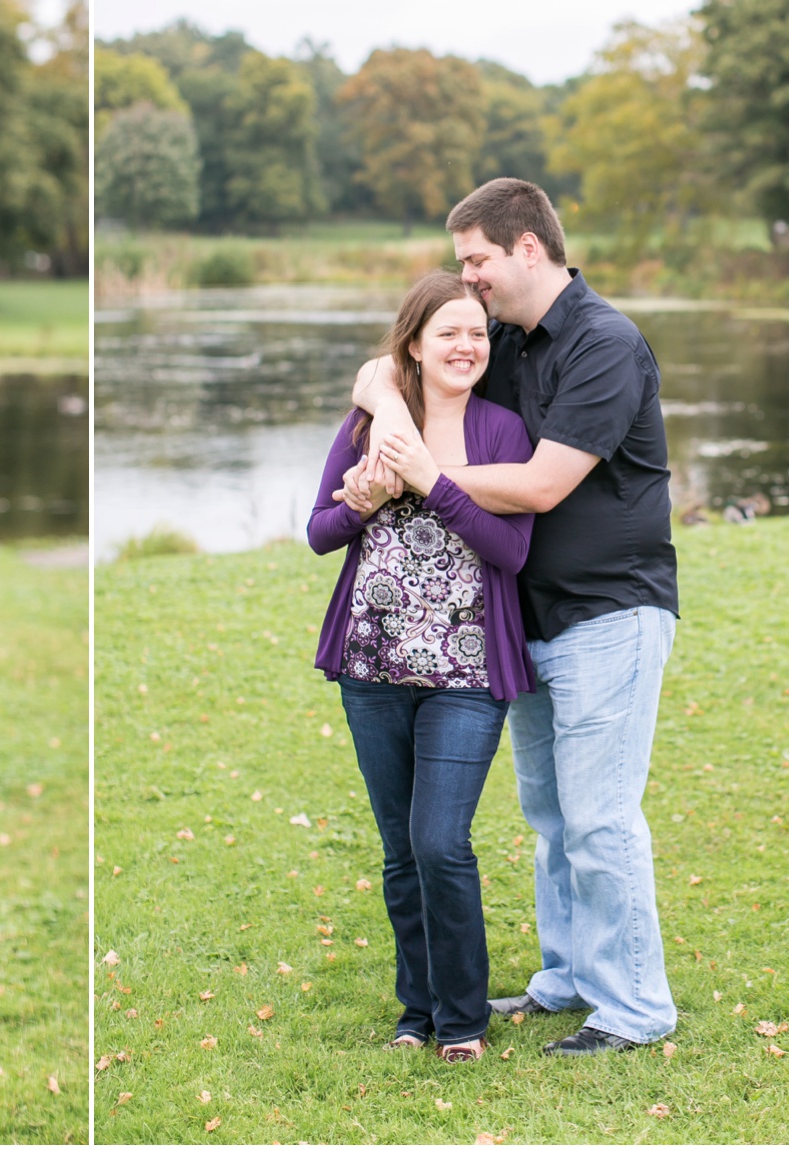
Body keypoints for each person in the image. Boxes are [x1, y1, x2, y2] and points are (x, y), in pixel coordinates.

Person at [347, 177, 679, 1055]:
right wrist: (390, 418)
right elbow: (384, 366)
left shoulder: (606, 343)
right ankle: (567, 979)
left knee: (602, 814)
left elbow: (538, 484)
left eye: (477, 259)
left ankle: (636, 1006)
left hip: (611, 610)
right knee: (552, 816)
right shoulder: (505, 336)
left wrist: (420, 473)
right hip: (526, 619)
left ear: (527, 248)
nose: (469, 277)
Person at [307, 270, 536, 1063]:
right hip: (371, 664)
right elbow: (319, 531)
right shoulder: (370, 420)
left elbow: (510, 549)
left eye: (477, 332)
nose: (467, 346)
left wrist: (431, 482)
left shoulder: (503, 432)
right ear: (415, 343)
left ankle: (463, 1021)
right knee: (400, 852)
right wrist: (364, 500)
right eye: (450, 333)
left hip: (466, 673)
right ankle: (417, 1012)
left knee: (441, 841)